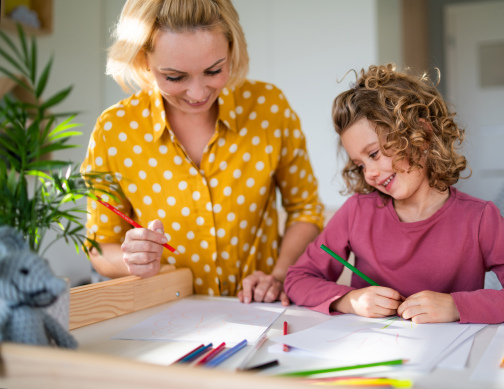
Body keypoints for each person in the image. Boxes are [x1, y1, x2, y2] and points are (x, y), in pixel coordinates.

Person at [284, 64, 504, 324]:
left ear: (420, 134)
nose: (369, 173)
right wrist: (350, 300)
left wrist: (457, 306)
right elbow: (297, 279)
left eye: (373, 154)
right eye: (360, 164)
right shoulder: (356, 212)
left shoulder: (479, 219)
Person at [81, 0, 324, 305]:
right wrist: (131, 259)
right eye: (174, 77)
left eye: (214, 71)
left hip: (261, 309)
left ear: (232, 50)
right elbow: (101, 247)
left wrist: (277, 276)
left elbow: (305, 210)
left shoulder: (268, 108)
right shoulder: (115, 130)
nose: (197, 94)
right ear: (143, 59)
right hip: (166, 315)